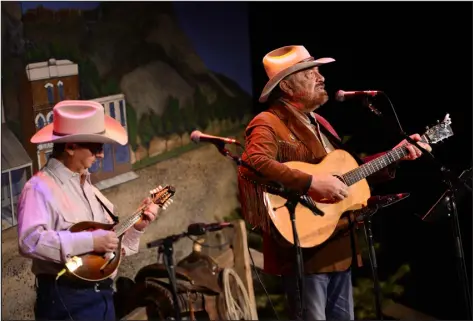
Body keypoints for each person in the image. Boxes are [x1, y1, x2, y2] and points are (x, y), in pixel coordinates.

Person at [237, 45, 432, 321]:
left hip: (339, 246)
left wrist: (396, 154)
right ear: (288, 85)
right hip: (305, 251)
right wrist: (310, 183)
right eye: (311, 71)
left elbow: (349, 175)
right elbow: (253, 162)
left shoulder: (321, 123)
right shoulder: (268, 122)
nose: (321, 77)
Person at [17, 100, 165, 321]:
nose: (101, 155)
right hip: (65, 301)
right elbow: (29, 240)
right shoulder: (39, 187)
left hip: (102, 299)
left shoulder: (92, 192)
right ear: (70, 146)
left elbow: (107, 254)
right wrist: (90, 241)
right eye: (96, 147)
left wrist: (137, 228)